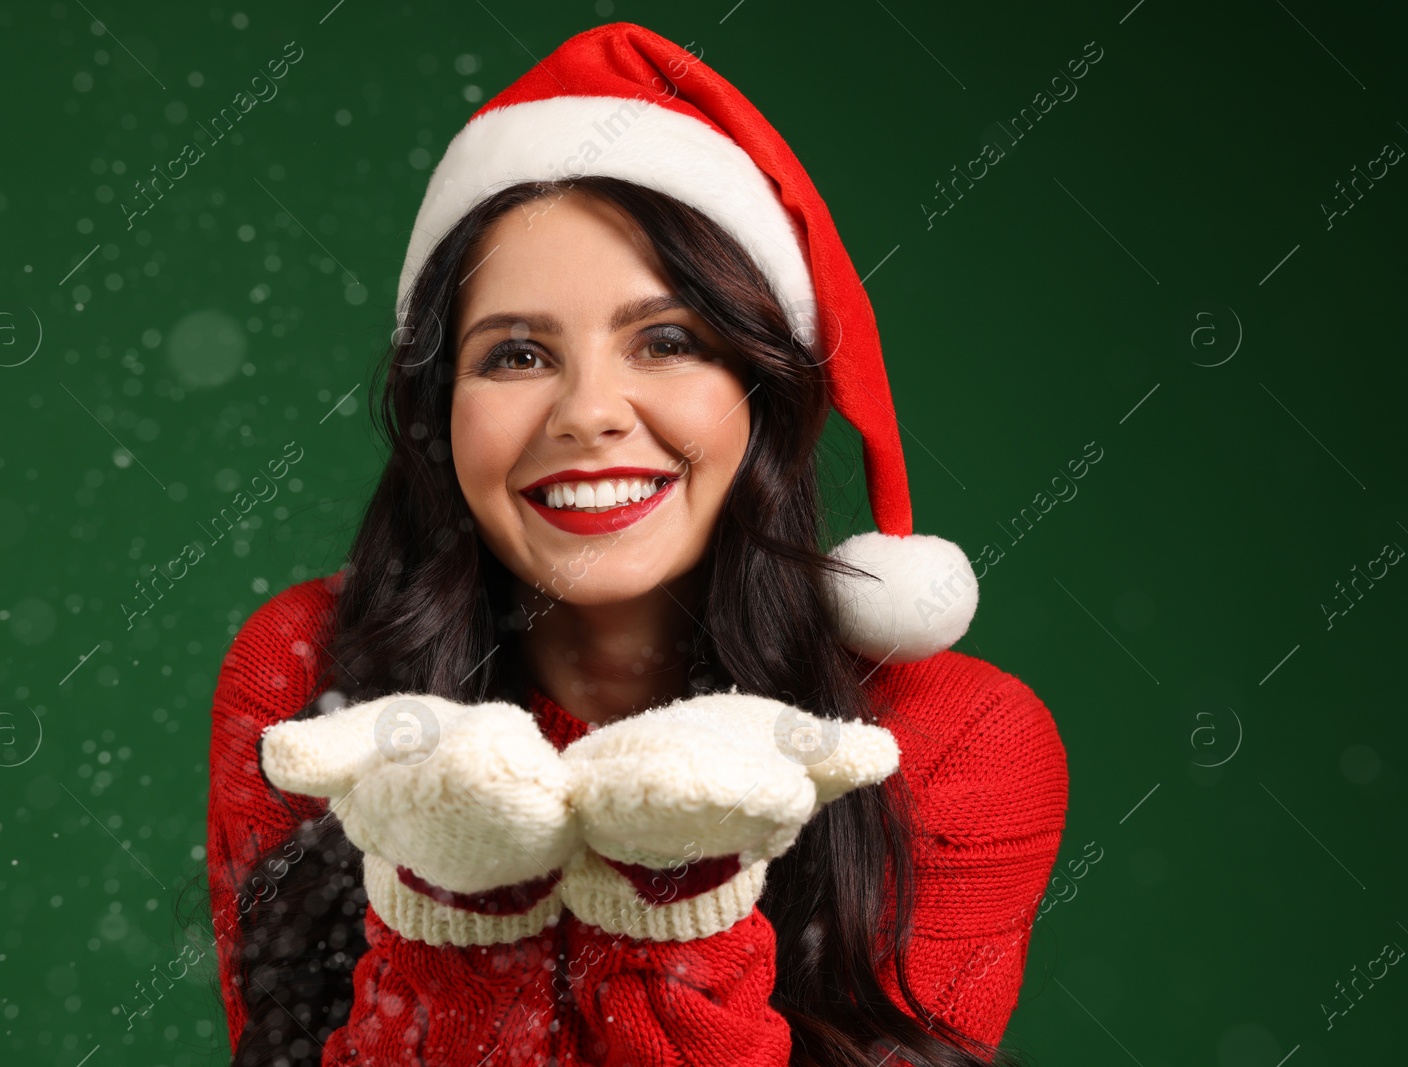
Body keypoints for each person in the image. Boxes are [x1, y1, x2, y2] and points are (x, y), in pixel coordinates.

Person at [206, 22, 1068, 1067]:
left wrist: (678, 894)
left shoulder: (955, 741)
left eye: (665, 342)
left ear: (762, 390)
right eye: (516, 353)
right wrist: (457, 896)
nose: (589, 412)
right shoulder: (309, 673)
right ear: (442, 408)